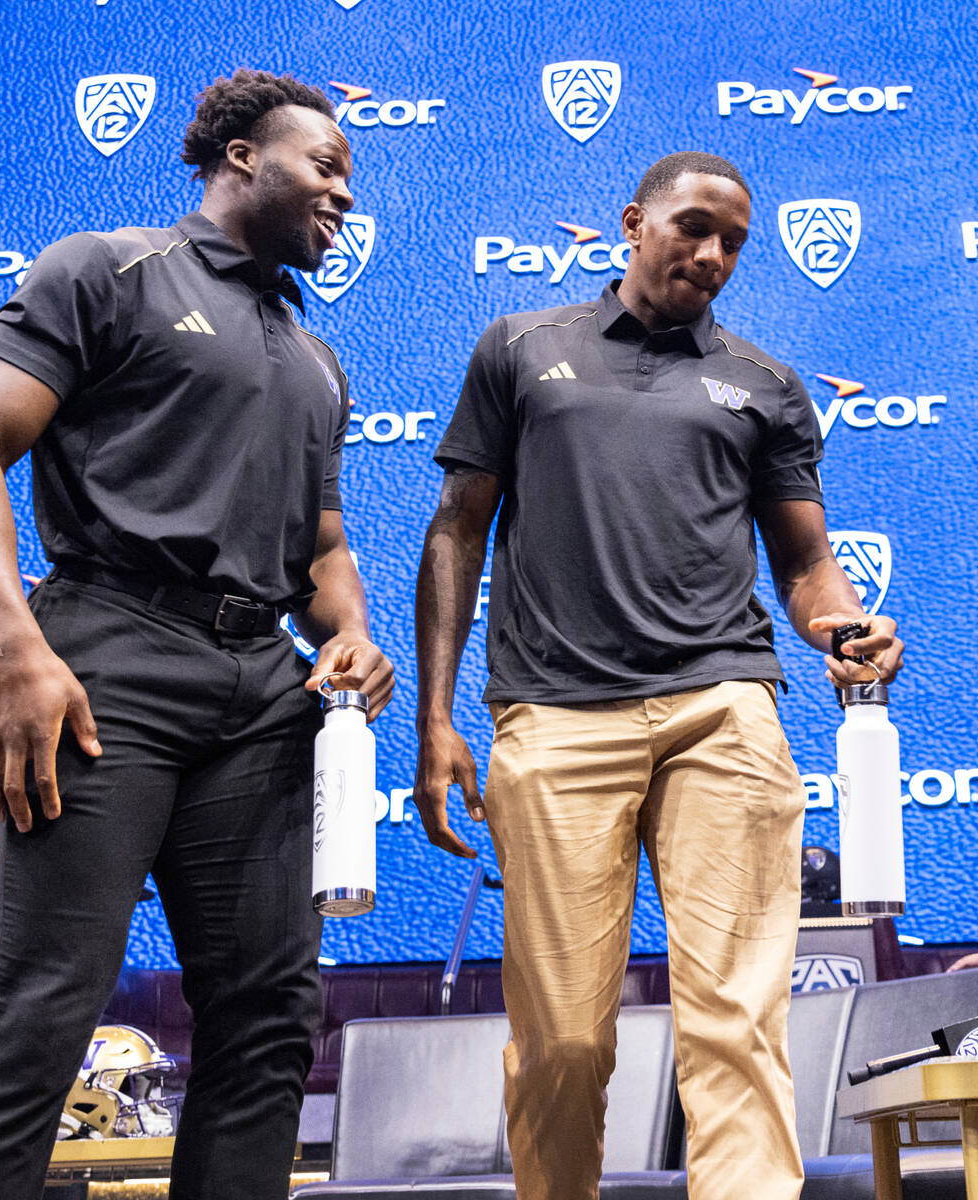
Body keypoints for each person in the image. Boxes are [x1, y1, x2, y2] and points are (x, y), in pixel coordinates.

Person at [0, 70, 393, 1200]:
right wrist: (12, 649)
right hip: (108, 660)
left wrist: (356, 631)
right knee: (41, 1003)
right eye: (324, 166)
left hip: (259, 691)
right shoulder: (110, 269)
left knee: (272, 1016)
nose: (343, 195)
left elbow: (320, 548)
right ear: (239, 157)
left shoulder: (315, 359)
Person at [413, 151, 904, 1200]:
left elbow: (806, 564)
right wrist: (435, 716)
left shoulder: (765, 384)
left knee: (733, 1024)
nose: (712, 254)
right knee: (562, 1046)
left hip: (723, 709)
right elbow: (455, 532)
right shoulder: (520, 349)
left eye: (732, 241)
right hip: (550, 718)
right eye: (691, 228)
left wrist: (842, 624)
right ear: (633, 221)